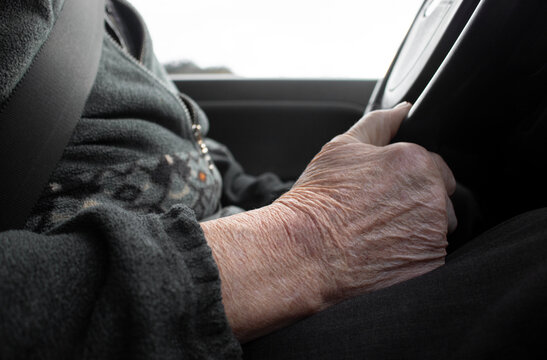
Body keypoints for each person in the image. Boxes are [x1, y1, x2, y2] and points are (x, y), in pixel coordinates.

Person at [1, 0, 545, 359]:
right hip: (182, 328)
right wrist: (311, 239)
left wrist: (331, 195)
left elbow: (205, 163)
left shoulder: (108, 18)